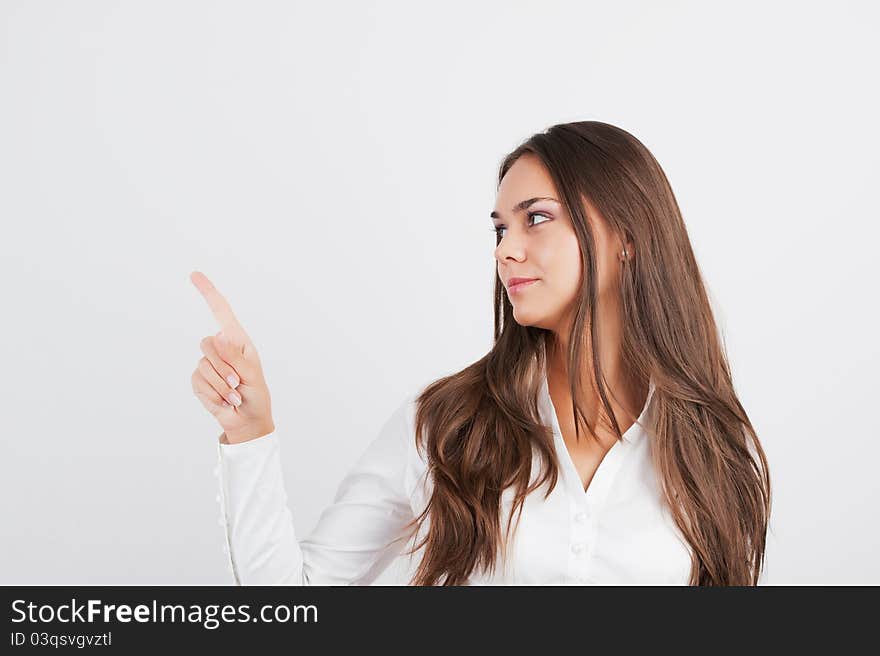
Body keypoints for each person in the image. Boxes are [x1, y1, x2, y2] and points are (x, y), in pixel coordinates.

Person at [190, 120, 771, 586]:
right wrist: (250, 432)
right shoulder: (448, 424)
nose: (506, 251)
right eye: (500, 230)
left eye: (536, 219)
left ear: (626, 238)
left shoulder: (711, 445)